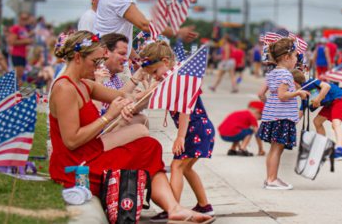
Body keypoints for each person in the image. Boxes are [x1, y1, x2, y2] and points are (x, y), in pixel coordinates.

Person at [48, 31, 213, 223]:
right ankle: (174, 208)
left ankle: (174, 208)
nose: (98, 67)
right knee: (147, 149)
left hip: (91, 153)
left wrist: (152, 91)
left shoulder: (84, 84)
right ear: (77, 58)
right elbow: (71, 141)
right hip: (77, 165)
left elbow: (128, 97)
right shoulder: (64, 88)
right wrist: (108, 117)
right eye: (95, 61)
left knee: (150, 146)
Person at [137, 42, 216, 221]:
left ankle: (172, 208)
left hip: (195, 128)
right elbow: (154, 93)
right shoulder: (174, 76)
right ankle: (204, 206)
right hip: (201, 128)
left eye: (155, 72)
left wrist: (180, 137)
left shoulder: (179, 79)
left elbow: (185, 109)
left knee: (176, 166)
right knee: (186, 169)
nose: (155, 77)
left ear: (165, 61)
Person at [256, 37, 309, 190]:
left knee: (273, 149)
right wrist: (298, 93)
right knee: (277, 150)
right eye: (295, 57)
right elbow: (282, 95)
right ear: (287, 58)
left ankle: (269, 178)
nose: (296, 60)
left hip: (272, 117)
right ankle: (272, 179)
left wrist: (270, 107)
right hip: (282, 118)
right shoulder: (286, 75)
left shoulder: (271, 74)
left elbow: (261, 94)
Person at [93, 33, 155, 130]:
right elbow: (116, 101)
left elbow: (122, 97)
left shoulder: (113, 76)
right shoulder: (99, 72)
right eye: (122, 54)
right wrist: (152, 88)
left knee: (142, 118)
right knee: (139, 127)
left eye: (126, 54)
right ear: (106, 52)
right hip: (98, 130)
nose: (126, 59)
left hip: (104, 126)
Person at [291, 69, 342, 160]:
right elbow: (299, 116)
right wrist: (288, 127)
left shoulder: (311, 83)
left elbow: (326, 86)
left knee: (335, 124)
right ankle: (323, 148)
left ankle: (340, 150)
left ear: (294, 84)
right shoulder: (304, 95)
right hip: (330, 103)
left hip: (339, 98)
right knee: (317, 122)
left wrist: (318, 99)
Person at [8, 12, 36, 88]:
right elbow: (12, 41)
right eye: (23, 19)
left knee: (20, 75)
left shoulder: (24, 29)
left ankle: (16, 91)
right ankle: (13, 92)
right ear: (19, 19)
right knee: (17, 74)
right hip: (16, 54)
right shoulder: (15, 28)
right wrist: (26, 41)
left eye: (26, 19)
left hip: (23, 54)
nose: (24, 21)